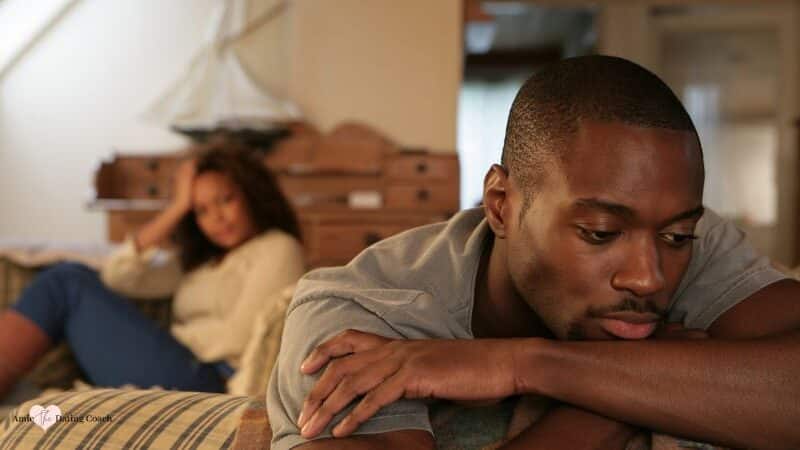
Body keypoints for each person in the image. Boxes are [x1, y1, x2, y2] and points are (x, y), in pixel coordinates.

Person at [266, 55, 800, 450]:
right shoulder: (364, 316)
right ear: (500, 205)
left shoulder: (673, 239)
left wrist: (523, 363)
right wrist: (613, 406)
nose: (648, 279)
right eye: (598, 232)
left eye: (677, 237)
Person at [0, 139, 306, 396]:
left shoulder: (278, 247)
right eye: (200, 210)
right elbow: (117, 276)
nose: (217, 218)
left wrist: (178, 337)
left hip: (209, 380)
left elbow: (242, 338)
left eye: (226, 200)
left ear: (251, 194)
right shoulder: (199, 264)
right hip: (180, 364)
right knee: (69, 277)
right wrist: (175, 208)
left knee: (67, 283)